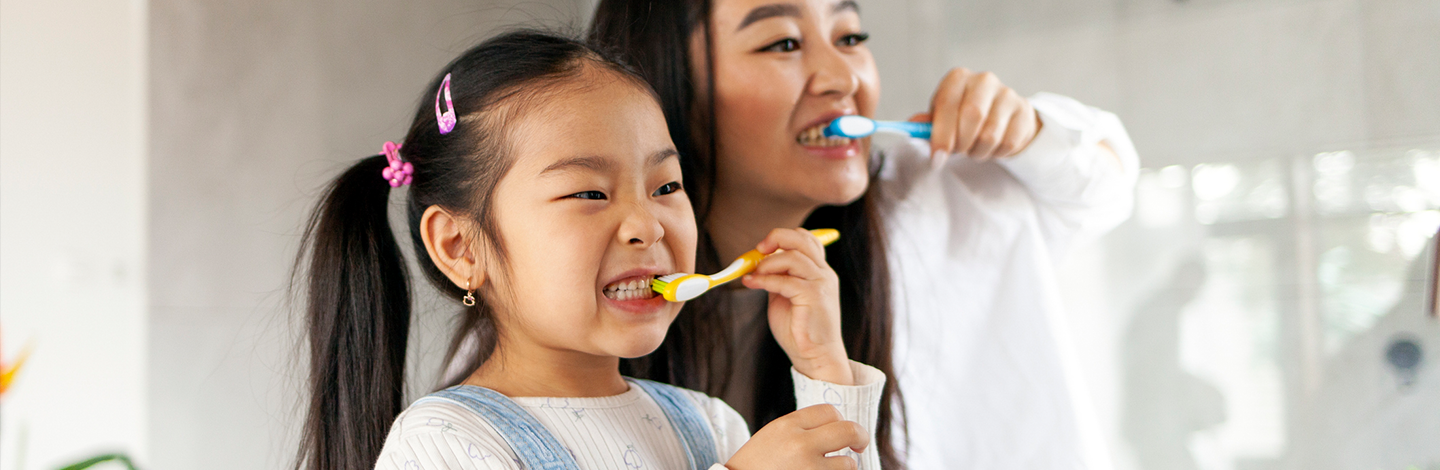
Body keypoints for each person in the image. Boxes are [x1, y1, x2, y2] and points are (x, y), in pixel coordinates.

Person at [292, 30, 888, 470]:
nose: (647, 226)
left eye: (666, 187)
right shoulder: (447, 442)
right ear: (459, 247)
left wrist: (823, 367)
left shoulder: (709, 425)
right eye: (588, 192)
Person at [588, 1, 1139, 468]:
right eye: (782, 44)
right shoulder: (593, 293)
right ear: (661, 82)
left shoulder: (932, 194)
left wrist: (1028, 132)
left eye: (849, 36)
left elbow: (1106, 181)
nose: (843, 79)